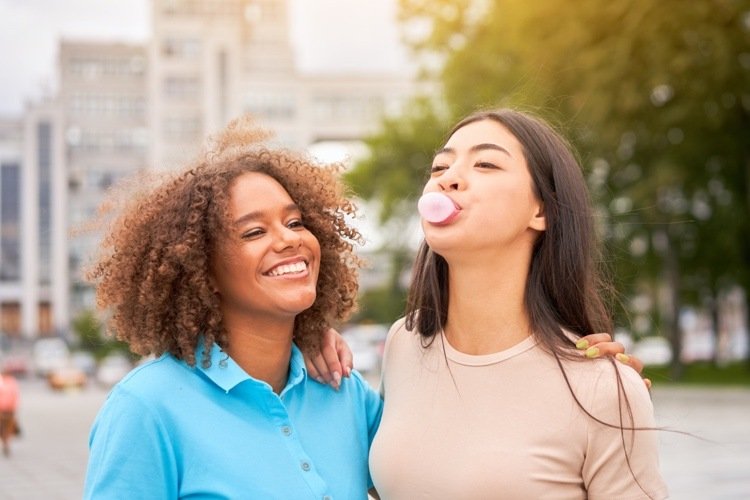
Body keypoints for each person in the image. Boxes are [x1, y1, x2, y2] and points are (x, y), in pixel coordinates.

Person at [312, 108, 667, 499]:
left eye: (485, 163)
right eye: (439, 167)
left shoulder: (603, 388)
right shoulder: (404, 342)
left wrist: (618, 396)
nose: (447, 178)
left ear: (541, 210)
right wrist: (303, 338)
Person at [82, 117, 381, 499]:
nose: (289, 239)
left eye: (295, 222)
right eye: (254, 231)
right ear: (201, 268)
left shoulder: (342, 388)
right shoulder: (146, 408)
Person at [0, 367, 20, 457]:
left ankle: (6, 443)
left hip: (10, 409)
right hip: (1, 409)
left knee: (8, 428)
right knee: (2, 428)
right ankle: (5, 442)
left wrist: (15, 406)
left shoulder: (12, 382)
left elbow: (16, 395)